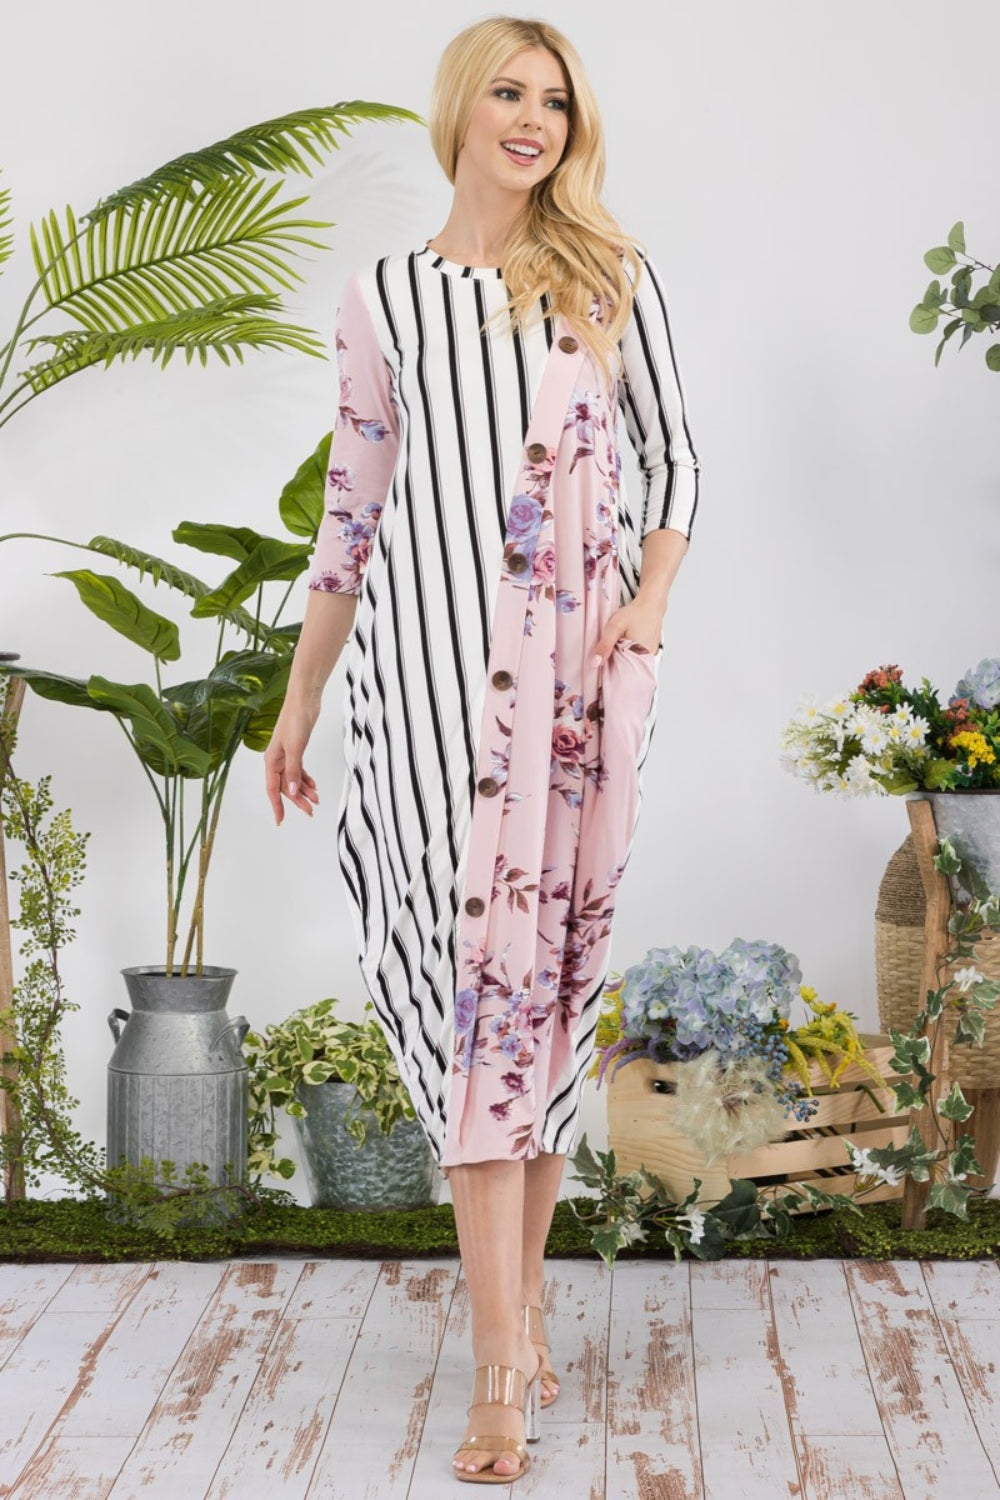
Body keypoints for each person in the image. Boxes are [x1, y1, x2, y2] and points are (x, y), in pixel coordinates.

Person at [264, 14, 699, 1485]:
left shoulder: (602, 276)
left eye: (556, 101)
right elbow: (350, 513)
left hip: (580, 700)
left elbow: (682, 457)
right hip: (433, 698)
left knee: (551, 1004)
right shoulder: (385, 293)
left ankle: (515, 1323)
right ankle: (504, 1360)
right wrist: (297, 705)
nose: (532, 119)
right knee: (475, 1011)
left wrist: (644, 608)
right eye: (508, 93)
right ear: (460, 107)